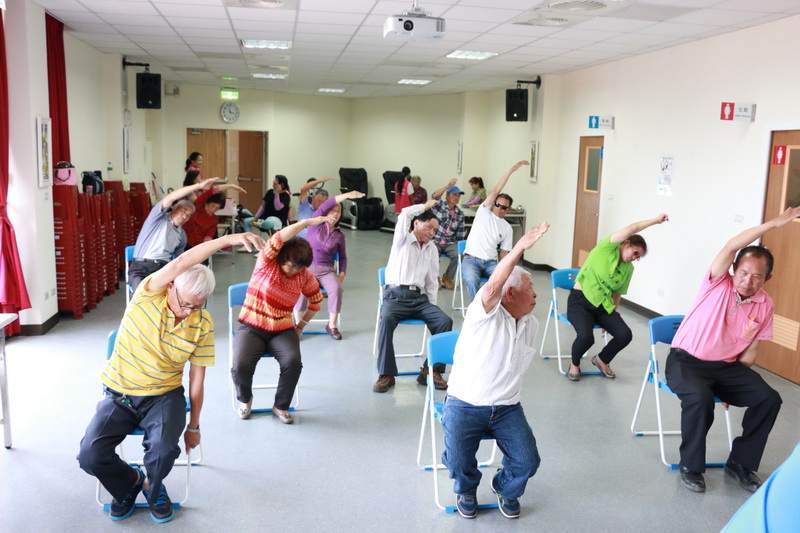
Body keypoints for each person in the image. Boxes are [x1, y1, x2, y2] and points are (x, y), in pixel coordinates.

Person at [78, 231, 265, 523]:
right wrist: (226, 240)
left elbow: (197, 380)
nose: (189, 311)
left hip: (164, 396)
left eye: (197, 305)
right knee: (90, 455)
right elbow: (183, 261)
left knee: (165, 450)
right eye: (185, 303)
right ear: (170, 288)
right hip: (120, 392)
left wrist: (194, 426)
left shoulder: (201, 323)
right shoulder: (148, 294)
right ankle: (130, 482)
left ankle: (153, 487)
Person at [666, 207, 800, 494]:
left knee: (769, 398)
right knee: (700, 398)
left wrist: (733, 387)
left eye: (757, 276)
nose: (748, 281)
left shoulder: (765, 304)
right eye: (744, 272)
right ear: (734, 270)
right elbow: (731, 246)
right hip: (685, 361)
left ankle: (741, 462)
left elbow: (750, 351)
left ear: (767, 279)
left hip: (726, 368)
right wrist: (773, 224)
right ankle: (691, 466)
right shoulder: (716, 283)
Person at [443, 222, 550, 519]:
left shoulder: (532, 324)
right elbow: (491, 286)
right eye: (530, 289)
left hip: (506, 407)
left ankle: (505, 487)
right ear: (509, 294)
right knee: (456, 461)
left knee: (528, 461)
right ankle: (466, 487)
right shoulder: (483, 313)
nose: (536, 295)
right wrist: (519, 248)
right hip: (464, 404)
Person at [231, 214, 336, 423]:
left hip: (282, 329)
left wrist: (300, 326)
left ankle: (281, 406)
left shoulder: (304, 276)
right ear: (282, 258)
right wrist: (305, 223)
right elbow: (278, 238)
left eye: (300, 267)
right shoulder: (266, 262)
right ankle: (245, 399)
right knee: (240, 365)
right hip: (252, 326)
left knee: (293, 362)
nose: (295, 271)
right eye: (292, 266)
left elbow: (316, 301)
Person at [566, 214, 668, 381]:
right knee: (586, 337)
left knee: (624, 334)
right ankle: (574, 364)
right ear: (626, 243)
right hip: (580, 302)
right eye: (635, 252)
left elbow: (617, 293)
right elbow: (631, 229)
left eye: (638, 257)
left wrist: (611, 316)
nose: (635, 257)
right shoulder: (605, 249)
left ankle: (601, 359)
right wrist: (656, 221)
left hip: (603, 305)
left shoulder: (628, 268)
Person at [374, 200, 453, 393]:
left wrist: (432, 309)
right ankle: (387, 374)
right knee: (387, 320)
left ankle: (430, 371)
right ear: (416, 223)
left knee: (444, 321)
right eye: (429, 227)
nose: (431, 233)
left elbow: (432, 281)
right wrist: (425, 206)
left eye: (435, 230)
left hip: (418, 299)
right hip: (394, 295)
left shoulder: (432, 248)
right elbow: (403, 215)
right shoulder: (402, 239)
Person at [294, 190, 365, 340]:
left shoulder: (339, 236)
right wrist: (347, 195)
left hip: (326, 270)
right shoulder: (315, 224)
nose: (335, 213)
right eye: (333, 209)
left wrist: (342, 274)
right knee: (301, 290)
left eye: (339, 211)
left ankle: (332, 325)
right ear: (326, 211)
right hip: (308, 268)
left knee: (336, 288)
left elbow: (343, 258)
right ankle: (298, 325)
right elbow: (328, 203)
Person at [128, 178, 219, 293]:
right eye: (184, 210)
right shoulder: (157, 219)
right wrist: (198, 186)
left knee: (180, 293)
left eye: (189, 215)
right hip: (142, 267)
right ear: (175, 207)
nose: (185, 216)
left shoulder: (182, 235)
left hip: (164, 269)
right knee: (143, 295)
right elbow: (171, 197)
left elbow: (179, 259)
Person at [461, 160, 527, 300]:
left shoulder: (507, 228)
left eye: (503, 207)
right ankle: (479, 311)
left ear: (508, 210)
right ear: (494, 203)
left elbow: (504, 253)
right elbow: (496, 190)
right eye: (497, 204)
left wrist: (506, 270)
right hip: (471, 260)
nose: (499, 208)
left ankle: (496, 310)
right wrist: (511, 171)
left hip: (491, 262)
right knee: (472, 281)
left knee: (505, 282)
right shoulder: (483, 212)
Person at [183, 183, 246, 253]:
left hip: (199, 247)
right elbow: (212, 191)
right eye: (212, 205)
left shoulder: (214, 219)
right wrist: (231, 186)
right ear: (207, 202)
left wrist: (208, 241)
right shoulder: (197, 207)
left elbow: (209, 234)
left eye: (217, 208)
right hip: (185, 243)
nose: (213, 209)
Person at [430, 178, 466, 290]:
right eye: (454, 195)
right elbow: (434, 196)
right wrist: (447, 186)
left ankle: (448, 277)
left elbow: (460, 234)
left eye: (458, 196)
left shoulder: (460, 213)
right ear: (447, 196)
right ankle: (435, 278)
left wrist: (461, 248)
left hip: (450, 242)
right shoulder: (439, 206)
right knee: (432, 254)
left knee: (459, 254)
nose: (456, 197)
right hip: (435, 240)